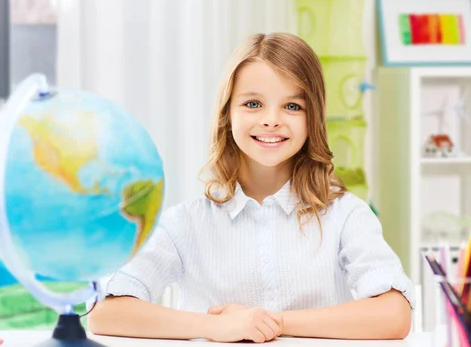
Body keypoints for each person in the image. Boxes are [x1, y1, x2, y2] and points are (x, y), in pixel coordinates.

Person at [88, 33, 414, 343]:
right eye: (253, 104)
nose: (271, 120)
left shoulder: (345, 215)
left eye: (292, 106)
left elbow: (394, 315)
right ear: (227, 114)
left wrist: (275, 322)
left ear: (312, 118)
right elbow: (105, 313)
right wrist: (215, 326)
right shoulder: (185, 223)